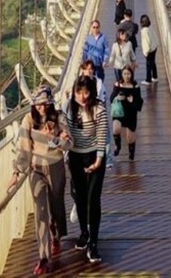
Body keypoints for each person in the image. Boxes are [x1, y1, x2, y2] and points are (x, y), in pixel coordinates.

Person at [9, 85, 71, 275]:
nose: (41, 108)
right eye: (37, 104)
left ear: (50, 103)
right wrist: (17, 171)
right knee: (40, 211)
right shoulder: (28, 119)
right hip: (36, 169)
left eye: (44, 104)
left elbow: (69, 144)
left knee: (56, 207)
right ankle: (43, 257)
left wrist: (54, 139)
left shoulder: (59, 118)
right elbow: (24, 147)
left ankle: (56, 235)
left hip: (56, 167)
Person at [65, 75, 108, 264]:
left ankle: (93, 243)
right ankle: (84, 232)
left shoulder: (99, 109)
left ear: (92, 92)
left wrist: (98, 162)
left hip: (94, 156)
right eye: (78, 92)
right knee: (80, 198)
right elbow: (62, 129)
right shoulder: (69, 107)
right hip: (75, 157)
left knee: (93, 199)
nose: (82, 96)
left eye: (86, 92)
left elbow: (102, 136)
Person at [110, 66, 143, 160]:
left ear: (131, 75)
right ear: (121, 74)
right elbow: (111, 98)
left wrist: (132, 100)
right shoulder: (118, 84)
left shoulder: (135, 86)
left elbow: (139, 102)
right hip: (119, 111)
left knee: (130, 137)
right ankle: (118, 146)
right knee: (116, 129)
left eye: (128, 74)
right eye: (124, 74)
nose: (126, 76)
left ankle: (131, 153)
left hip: (131, 112)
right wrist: (117, 97)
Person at [139, 13, 158, 84]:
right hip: (154, 47)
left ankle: (148, 79)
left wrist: (146, 52)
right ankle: (155, 77)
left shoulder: (144, 31)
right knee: (153, 62)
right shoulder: (150, 27)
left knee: (148, 64)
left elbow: (146, 42)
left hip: (149, 50)